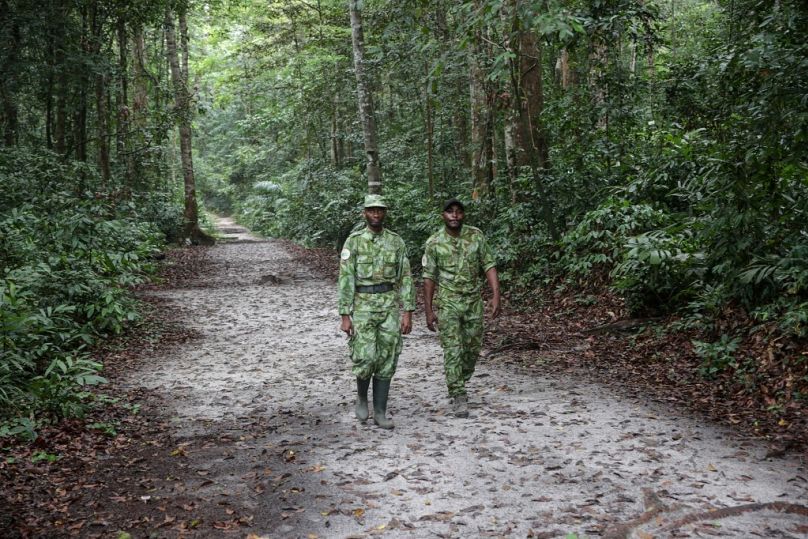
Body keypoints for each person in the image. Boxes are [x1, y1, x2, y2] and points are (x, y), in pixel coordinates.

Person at [338, 194, 415, 429]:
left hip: (389, 305)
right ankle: (362, 398)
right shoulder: (354, 242)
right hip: (362, 305)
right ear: (365, 213)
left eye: (380, 210)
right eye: (372, 210)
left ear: (385, 213)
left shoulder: (396, 242)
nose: (376, 214)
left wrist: (407, 311)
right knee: (365, 357)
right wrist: (345, 314)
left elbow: (406, 277)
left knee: (387, 358)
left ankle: (380, 411)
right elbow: (346, 277)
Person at [422, 198, 501, 418]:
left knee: (473, 347)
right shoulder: (434, 242)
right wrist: (429, 310)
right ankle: (458, 393)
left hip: (473, 301)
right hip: (448, 302)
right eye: (450, 212)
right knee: (453, 348)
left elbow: (489, 265)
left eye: (458, 212)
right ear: (443, 216)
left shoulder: (475, 236)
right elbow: (429, 277)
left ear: (463, 215)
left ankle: (461, 379)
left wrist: (496, 295)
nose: (454, 216)